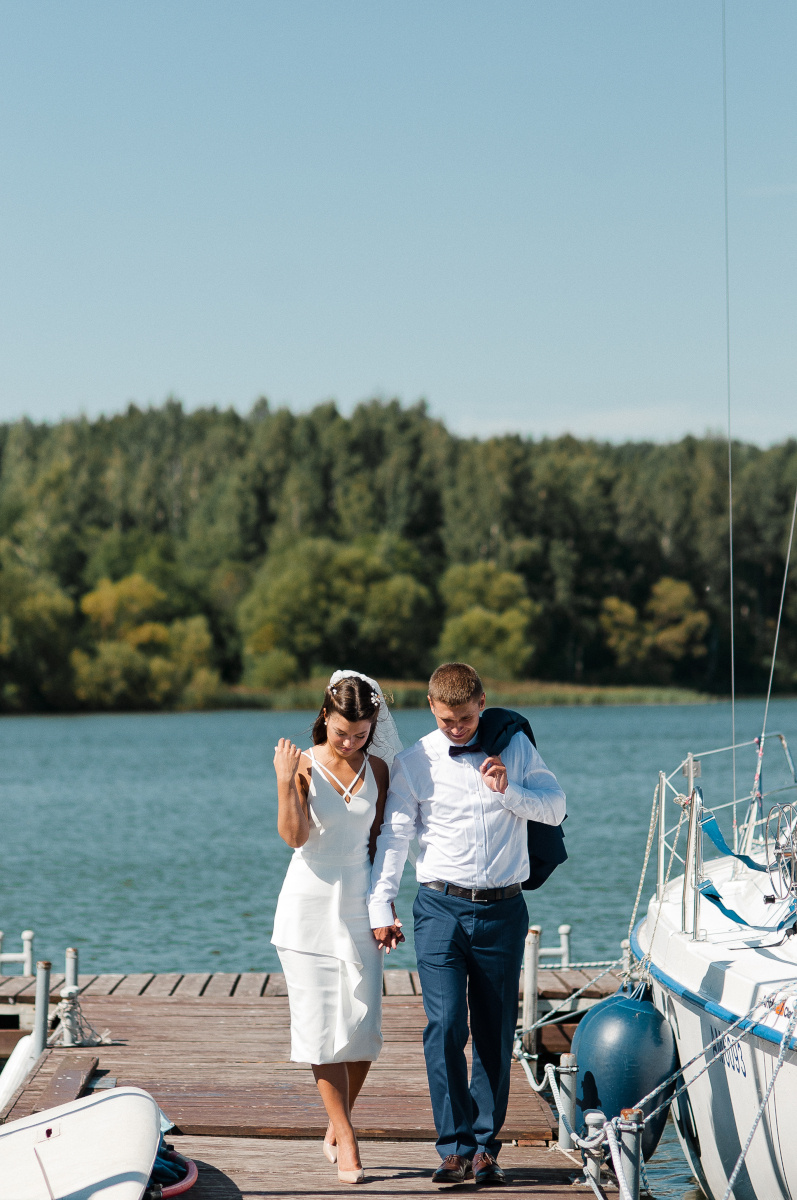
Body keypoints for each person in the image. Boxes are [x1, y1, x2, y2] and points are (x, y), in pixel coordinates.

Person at [368, 662, 566, 1186]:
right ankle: (452, 1146)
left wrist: (510, 792)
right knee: (447, 1024)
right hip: (439, 909)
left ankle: (484, 1149)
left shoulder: (517, 749)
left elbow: (557, 807)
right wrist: (379, 903)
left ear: (481, 701)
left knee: (495, 1035)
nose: (455, 727)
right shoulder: (415, 762)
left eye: (463, 717)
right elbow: (394, 836)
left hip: (503, 909)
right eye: (445, 719)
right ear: (431, 709)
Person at [271, 670, 403, 1185]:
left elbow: (378, 844)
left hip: (359, 901)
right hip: (306, 907)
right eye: (341, 732)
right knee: (320, 1029)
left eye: (361, 733)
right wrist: (285, 781)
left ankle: (335, 1122)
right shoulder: (302, 764)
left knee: (364, 1028)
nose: (349, 742)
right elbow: (294, 836)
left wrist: (382, 909)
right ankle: (346, 1135)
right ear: (325, 716)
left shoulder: (380, 771)